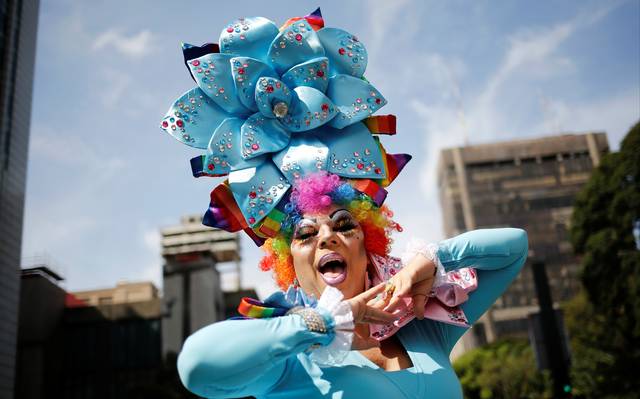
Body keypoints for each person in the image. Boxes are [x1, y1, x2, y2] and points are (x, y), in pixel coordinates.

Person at [159, 8, 528, 399]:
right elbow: (196, 366)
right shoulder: (290, 360)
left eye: (343, 225)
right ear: (290, 264)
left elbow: (513, 249)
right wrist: (321, 322)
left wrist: (433, 260)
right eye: (305, 234)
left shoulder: (423, 323)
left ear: (367, 243)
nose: (327, 237)